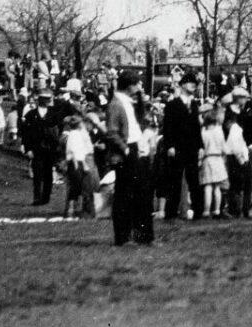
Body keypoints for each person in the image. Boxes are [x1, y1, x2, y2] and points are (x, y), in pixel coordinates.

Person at [106, 71, 154, 244]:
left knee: (141, 194)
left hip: (135, 148)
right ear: (129, 85)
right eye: (137, 84)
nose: (139, 87)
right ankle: (123, 237)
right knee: (125, 195)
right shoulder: (116, 104)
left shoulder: (127, 102)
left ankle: (143, 236)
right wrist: (125, 150)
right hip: (126, 152)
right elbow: (111, 132)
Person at [159, 72, 204, 221]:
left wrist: (201, 146)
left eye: (195, 83)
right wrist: (169, 145)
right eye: (190, 82)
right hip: (177, 148)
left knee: (194, 181)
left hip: (191, 148)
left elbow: (197, 128)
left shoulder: (194, 105)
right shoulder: (173, 105)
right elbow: (168, 127)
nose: (193, 85)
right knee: (175, 181)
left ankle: (198, 212)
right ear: (183, 85)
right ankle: (170, 213)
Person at [62, 114, 99, 219]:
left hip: (80, 160)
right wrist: (83, 164)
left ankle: (72, 211)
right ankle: (85, 212)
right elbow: (77, 150)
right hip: (81, 160)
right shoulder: (78, 133)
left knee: (78, 187)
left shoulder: (77, 133)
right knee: (85, 186)